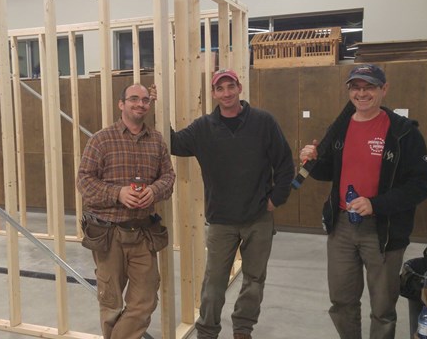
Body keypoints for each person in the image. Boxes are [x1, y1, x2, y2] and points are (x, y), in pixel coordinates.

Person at [299, 64, 427, 339]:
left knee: (383, 308)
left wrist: (377, 204)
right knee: (341, 301)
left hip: (383, 232)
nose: (361, 93)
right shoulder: (339, 128)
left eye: (369, 87)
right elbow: (329, 172)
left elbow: (422, 184)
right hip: (342, 229)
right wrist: (313, 161)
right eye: (356, 87)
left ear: (384, 89)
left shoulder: (403, 133)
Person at [168, 69, 295, 339]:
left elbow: (284, 162)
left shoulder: (263, 122)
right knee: (213, 282)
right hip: (221, 221)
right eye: (220, 88)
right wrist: (157, 108)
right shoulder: (203, 127)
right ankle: (207, 331)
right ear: (214, 94)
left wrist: (276, 198)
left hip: (258, 218)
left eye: (230, 86)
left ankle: (242, 329)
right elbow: (174, 143)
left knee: (253, 280)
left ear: (239, 88)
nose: (226, 93)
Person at [76, 83, 176, 339]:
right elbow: (84, 181)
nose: (139, 104)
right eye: (133, 99)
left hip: (143, 233)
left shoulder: (156, 141)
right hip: (109, 235)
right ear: (121, 104)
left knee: (144, 302)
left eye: (144, 100)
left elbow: (168, 176)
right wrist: (117, 193)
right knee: (111, 305)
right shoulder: (101, 139)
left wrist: (154, 191)